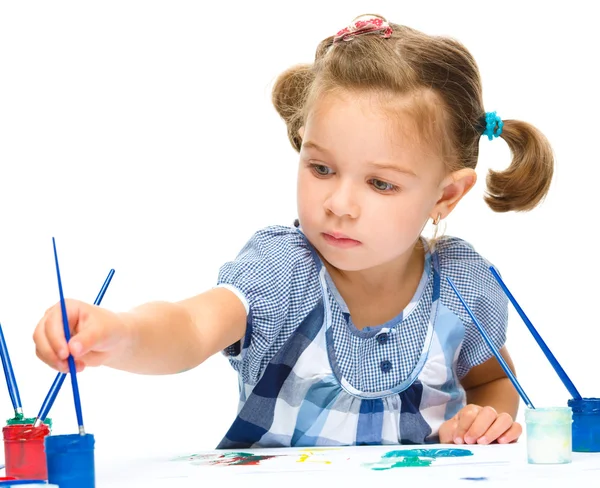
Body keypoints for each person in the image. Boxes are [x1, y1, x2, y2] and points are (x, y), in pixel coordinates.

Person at [33, 14, 553, 448]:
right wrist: (121, 334)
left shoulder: (464, 285)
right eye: (321, 169)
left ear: (445, 196)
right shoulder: (283, 270)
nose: (340, 205)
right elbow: (191, 327)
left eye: (380, 183)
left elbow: (490, 379)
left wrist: (483, 418)